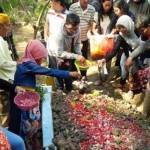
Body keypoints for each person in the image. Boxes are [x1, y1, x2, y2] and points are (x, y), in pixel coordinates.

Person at [8, 40, 81, 149]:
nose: (41, 60)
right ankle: (21, 144)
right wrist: (69, 73)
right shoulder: (28, 65)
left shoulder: (27, 62)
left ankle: (31, 140)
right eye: (40, 57)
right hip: (20, 103)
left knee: (31, 122)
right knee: (19, 127)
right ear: (34, 55)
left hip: (26, 98)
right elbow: (49, 71)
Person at [125, 16, 150, 117]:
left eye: (143, 30)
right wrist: (131, 57)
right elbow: (143, 46)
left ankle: (145, 112)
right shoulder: (145, 36)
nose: (142, 32)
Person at [57, 13, 85, 92]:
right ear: (66, 25)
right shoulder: (59, 34)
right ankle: (60, 89)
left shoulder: (77, 29)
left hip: (68, 52)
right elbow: (59, 53)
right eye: (71, 28)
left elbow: (77, 43)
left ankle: (69, 88)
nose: (73, 31)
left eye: (75, 28)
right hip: (56, 52)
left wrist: (79, 54)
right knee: (59, 71)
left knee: (68, 70)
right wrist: (76, 56)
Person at [69, 0, 95, 78]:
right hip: (73, 39)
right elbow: (70, 21)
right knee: (73, 57)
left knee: (84, 57)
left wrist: (90, 31)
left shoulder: (92, 9)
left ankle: (84, 76)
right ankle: (75, 75)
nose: (86, 1)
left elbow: (91, 23)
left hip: (85, 38)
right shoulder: (73, 7)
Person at [0, 13, 16, 92]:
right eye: (8, 25)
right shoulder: (0, 41)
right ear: (1, 26)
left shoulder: (2, 39)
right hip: (4, 79)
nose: (9, 28)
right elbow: (2, 63)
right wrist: (16, 64)